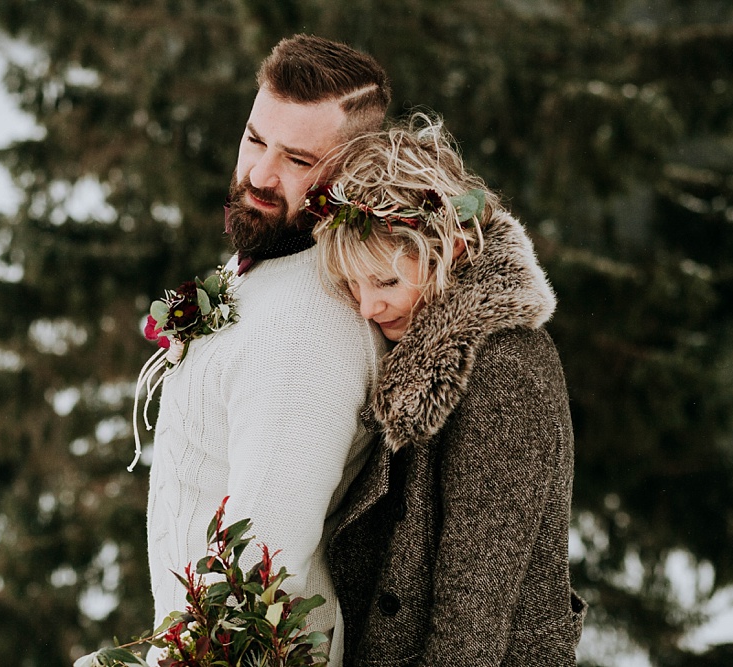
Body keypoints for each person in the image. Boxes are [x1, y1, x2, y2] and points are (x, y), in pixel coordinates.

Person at [144, 35, 391, 664]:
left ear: (351, 175)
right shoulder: (278, 254)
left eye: (298, 159)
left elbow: (256, 575)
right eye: (255, 139)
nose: (259, 174)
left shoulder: (305, 328)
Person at [311, 113, 587, 665]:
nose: (368, 306)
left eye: (386, 281)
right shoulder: (436, 354)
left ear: (452, 249)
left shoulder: (502, 372)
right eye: (353, 285)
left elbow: (472, 613)